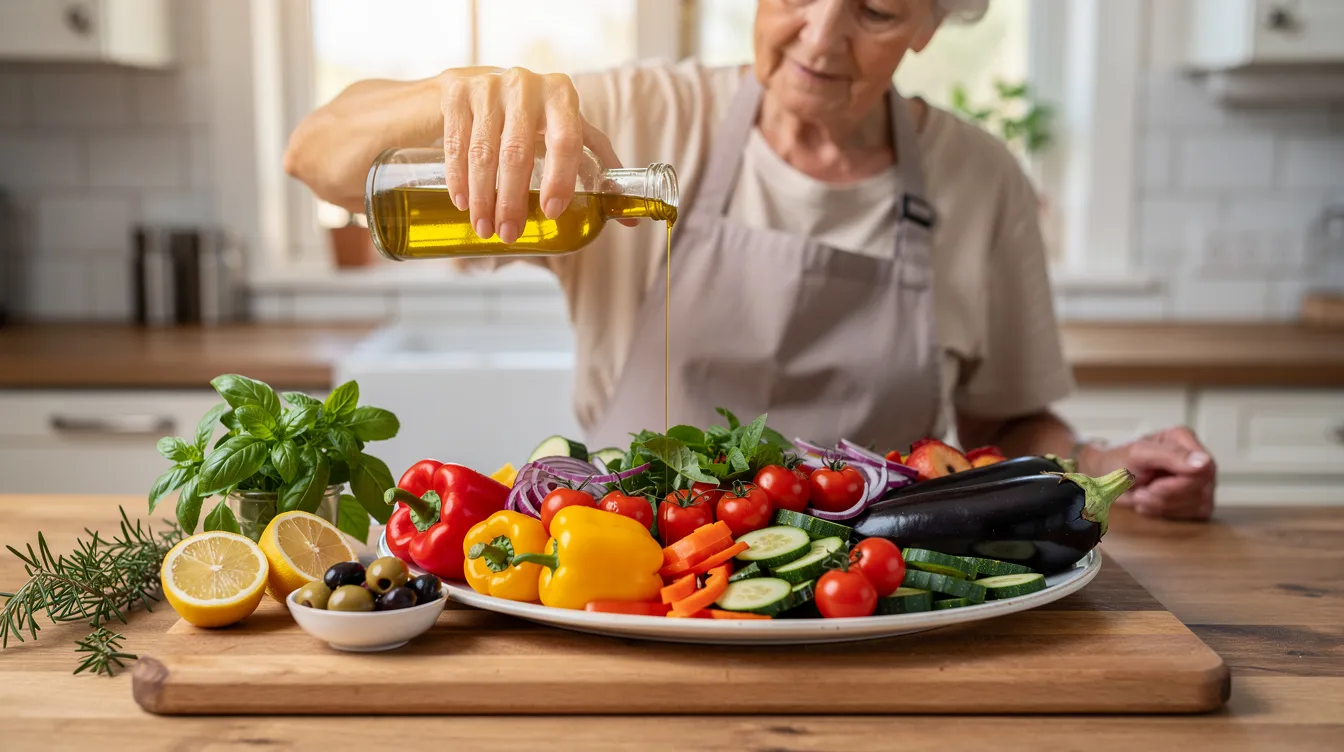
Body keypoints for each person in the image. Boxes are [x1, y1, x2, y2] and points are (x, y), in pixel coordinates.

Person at [285, 0, 1215, 520]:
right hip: (632, 586)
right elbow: (318, 157)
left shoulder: (982, 180)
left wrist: (1098, 462)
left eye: (878, 10)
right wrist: (466, 93)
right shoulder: (639, 122)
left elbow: (1004, 422)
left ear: (934, 21)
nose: (820, 38)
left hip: (878, 611)